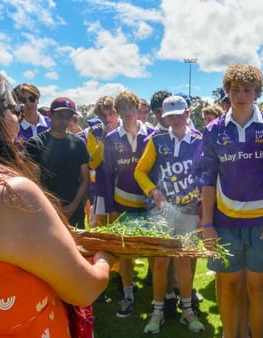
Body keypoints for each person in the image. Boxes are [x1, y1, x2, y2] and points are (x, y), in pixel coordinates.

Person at [0, 64, 115, 337]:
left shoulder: (76, 144)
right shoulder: (9, 195)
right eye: (14, 108)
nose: (19, 116)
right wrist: (104, 258)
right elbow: (83, 288)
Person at [200, 64, 263, 338]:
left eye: (247, 90)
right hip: (225, 224)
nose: (241, 96)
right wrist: (207, 225)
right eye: (235, 90)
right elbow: (207, 180)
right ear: (227, 92)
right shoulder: (213, 130)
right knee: (230, 287)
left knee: (257, 288)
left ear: (257, 93)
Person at [135, 95, 205, 334]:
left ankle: (187, 311)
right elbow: (140, 172)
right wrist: (153, 191)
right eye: (169, 116)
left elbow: (205, 174)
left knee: (184, 261)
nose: (175, 119)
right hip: (162, 212)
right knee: (161, 262)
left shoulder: (199, 141)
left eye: (179, 114)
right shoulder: (156, 140)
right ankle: (158, 312)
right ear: (164, 117)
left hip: (188, 211)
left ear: (188, 113)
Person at [96, 90, 152, 318]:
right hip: (122, 203)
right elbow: (107, 175)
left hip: (149, 205)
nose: (128, 113)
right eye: (124, 109)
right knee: (126, 252)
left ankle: (160, 296)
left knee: (154, 250)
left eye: (132, 107)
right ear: (117, 112)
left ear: (138, 109)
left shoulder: (153, 135)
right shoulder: (110, 139)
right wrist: (111, 208)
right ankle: (128, 295)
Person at [26, 97, 89, 229]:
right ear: (50, 114)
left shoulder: (78, 144)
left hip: (74, 211)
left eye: (68, 117)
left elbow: (85, 178)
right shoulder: (36, 143)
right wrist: (50, 207)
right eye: (60, 116)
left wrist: (74, 205)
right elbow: (32, 181)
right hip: (45, 212)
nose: (64, 121)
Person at [85, 96, 119, 227]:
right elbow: (93, 163)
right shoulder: (94, 132)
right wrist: (104, 139)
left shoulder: (126, 128)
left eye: (111, 114)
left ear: (117, 112)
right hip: (103, 186)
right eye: (103, 115)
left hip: (123, 185)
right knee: (102, 227)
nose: (107, 119)